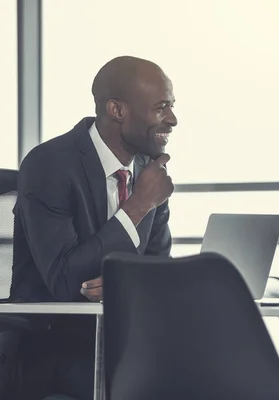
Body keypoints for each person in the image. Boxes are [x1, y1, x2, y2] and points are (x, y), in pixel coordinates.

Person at [9, 56, 177, 400]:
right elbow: (64, 279)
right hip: (54, 345)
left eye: (172, 107)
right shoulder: (49, 164)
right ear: (117, 110)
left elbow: (157, 266)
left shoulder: (147, 169)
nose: (173, 120)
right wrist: (137, 206)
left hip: (122, 339)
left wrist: (124, 283)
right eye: (161, 108)